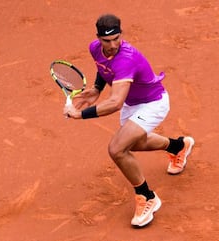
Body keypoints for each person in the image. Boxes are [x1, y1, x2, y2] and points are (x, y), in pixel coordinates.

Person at [64, 13, 195, 227]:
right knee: (135, 144)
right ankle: (179, 146)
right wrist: (96, 89)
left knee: (117, 149)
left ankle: (147, 197)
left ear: (121, 34)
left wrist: (80, 114)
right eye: (107, 40)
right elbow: (102, 67)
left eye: (117, 38)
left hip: (153, 103)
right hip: (132, 104)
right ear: (98, 39)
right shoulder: (94, 48)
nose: (113, 44)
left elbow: (115, 102)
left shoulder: (126, 58)